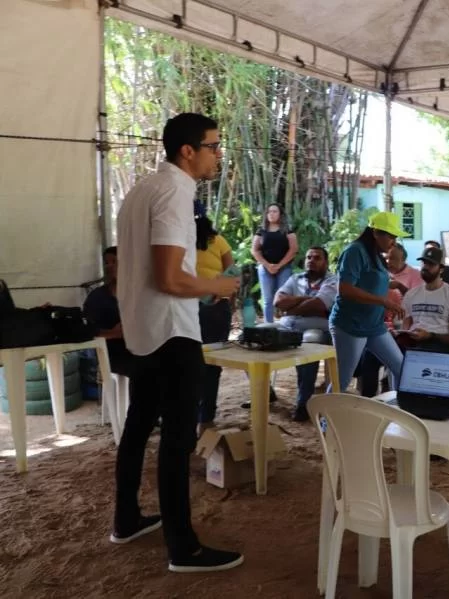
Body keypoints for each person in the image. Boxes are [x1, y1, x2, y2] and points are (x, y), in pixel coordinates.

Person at [113, 113, 242, 571]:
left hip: (142, 329)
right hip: (171, 330)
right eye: (213, 146)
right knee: (177, 439)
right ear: (187, 150)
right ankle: (182, 547)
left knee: (138, 425)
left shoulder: (142, 190)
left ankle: (126, 518)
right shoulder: (174, 191)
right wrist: (217, 286)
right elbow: (169, 278)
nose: (218, 155)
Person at [329, 212, 407, 393]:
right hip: (351, 326)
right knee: (342, 379)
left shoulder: (376, 254)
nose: (394, 241)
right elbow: (345, 289)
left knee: (400, 367)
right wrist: (383, 301)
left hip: (374, 325)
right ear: (375, 233)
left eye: (395, 237)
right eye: (390, 236)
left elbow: (370, 281)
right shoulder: (355, 251)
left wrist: (394, 287)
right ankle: (323, 420)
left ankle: (397, 413)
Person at [273, 246, 338, 422]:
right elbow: (278, 301)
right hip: (288, 326)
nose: (311, 261)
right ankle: (268, 393)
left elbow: (319, 305)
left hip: (318, 329)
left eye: (317, 258)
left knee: (310, 344)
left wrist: (291, 309)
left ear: (326, 262)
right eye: (309, 257)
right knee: (253, 337)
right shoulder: (295, 278)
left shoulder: (333, 280)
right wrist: (304, 300)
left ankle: (303, 403)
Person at [195, 210, 234, 431]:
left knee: (195, 363)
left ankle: (197, 416)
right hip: (215, 306)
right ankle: (205, 417)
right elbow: (232, 270)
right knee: (211, 364)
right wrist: (221, 290)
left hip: (192, 306)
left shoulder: (178, 241)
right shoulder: (218, 239)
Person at [397, 247, 449, 352]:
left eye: (431, 264)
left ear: (441, 269)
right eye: (424, 263)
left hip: (438, 344)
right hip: (412, 342)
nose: (425, 267)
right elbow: (406, 326)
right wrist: (400, 333)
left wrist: (430, 335)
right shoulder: (411, 294)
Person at [83, 246, 133, 376]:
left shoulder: (138, 294)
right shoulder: (97, 297)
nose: (109, 266)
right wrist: (113, 333)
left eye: (115, 261)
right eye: (106, 263)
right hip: (111, 354)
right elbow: (86, 330)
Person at [251, 203, 298, 322]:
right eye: (269, 212)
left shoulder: (287, 230)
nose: (271, 214)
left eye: (274, 211)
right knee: (267, 299)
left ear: (280, 214)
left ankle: (285, 324)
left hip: (284, 267)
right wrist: (267, 265)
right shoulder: (261, 230)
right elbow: (255, 250)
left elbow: (293, 249)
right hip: (265, 267)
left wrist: (279, 265)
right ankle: (268, 325)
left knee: (283, 297)